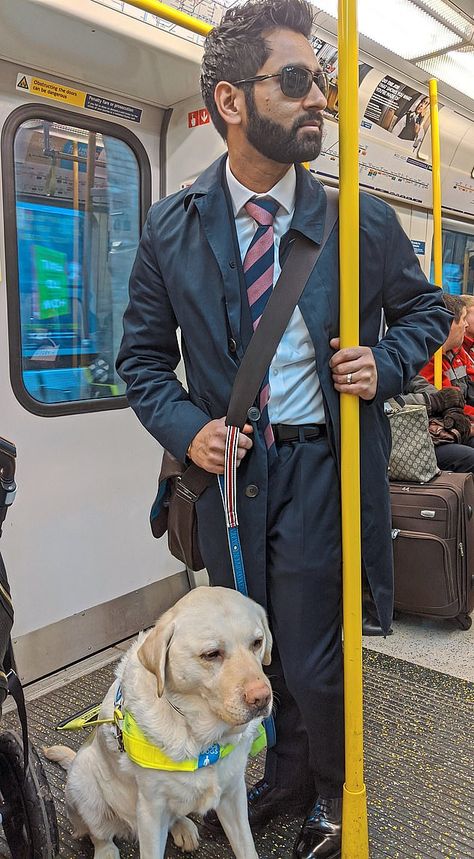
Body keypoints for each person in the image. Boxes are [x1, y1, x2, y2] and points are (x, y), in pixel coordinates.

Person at [116, 2, 451, 856]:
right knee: (243, 658)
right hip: (231, 475)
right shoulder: (172, 227)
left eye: (324, 85)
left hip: (317, 469)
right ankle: (284, 775)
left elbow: (428, 311)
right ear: (232, 101)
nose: (321, 103)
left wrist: (385, 360)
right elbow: (144, 361)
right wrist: (188, 427)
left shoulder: (360, 222)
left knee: (306, 653)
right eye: (298, 82)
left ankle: (333, 791)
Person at [419, 293, 474, 421]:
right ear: (448, 322)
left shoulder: (457, 351)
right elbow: (449, 403)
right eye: (463, 318)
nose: (465, 325)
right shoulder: (430, 358)